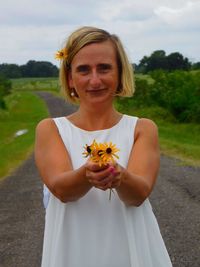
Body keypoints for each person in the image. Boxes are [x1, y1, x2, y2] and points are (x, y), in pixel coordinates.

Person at [35, 26, 172, 267]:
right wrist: (87, 174)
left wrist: (121, 177)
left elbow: (138, 195)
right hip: (73, 251)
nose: (94, 80)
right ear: (70, 78)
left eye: (105, 68)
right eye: (83, 70)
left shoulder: (142, 128)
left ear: (120, 73)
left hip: (132, 252)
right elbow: (62, 190)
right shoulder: (50, 129)